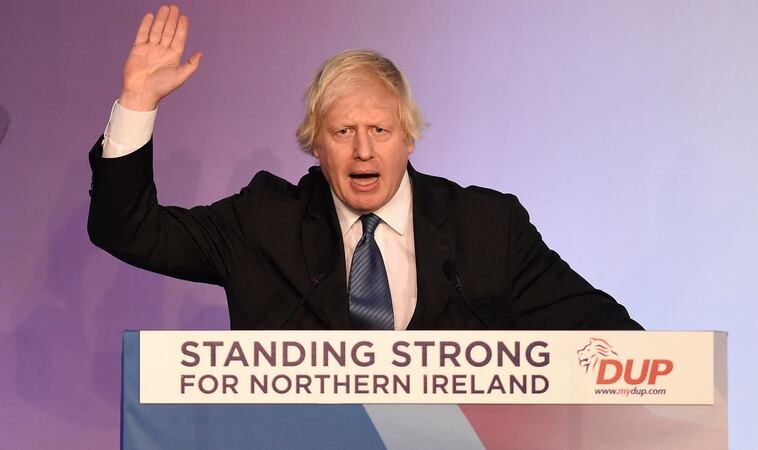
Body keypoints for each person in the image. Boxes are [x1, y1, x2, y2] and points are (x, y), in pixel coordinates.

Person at [88, 5, 642, 331]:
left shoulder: (486, 228)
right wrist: (138, 101)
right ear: (315, 145)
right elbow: (129, 231)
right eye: (342, 132)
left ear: (408, 138)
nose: (363, 151)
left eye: (380, 130)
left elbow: (605, 332)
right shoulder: (264, 224)